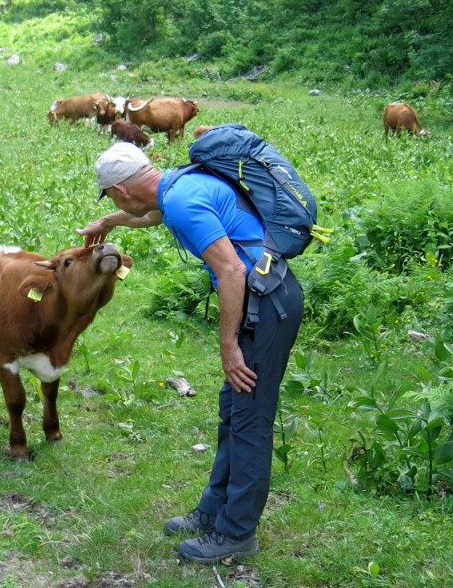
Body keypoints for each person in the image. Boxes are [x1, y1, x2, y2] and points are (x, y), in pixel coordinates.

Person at [78, 141, 304, 564]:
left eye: (110, 197)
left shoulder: (182, 201)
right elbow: (150, 215)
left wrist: (229, 346)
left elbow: (232, 270)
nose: (115, 203)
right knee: (233, 412)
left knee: (250, 420)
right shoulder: (180, 185)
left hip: (265, 305)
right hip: (269, 298)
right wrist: (110, 220)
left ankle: (237, 533)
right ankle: (214, 510)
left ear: (122, 189)